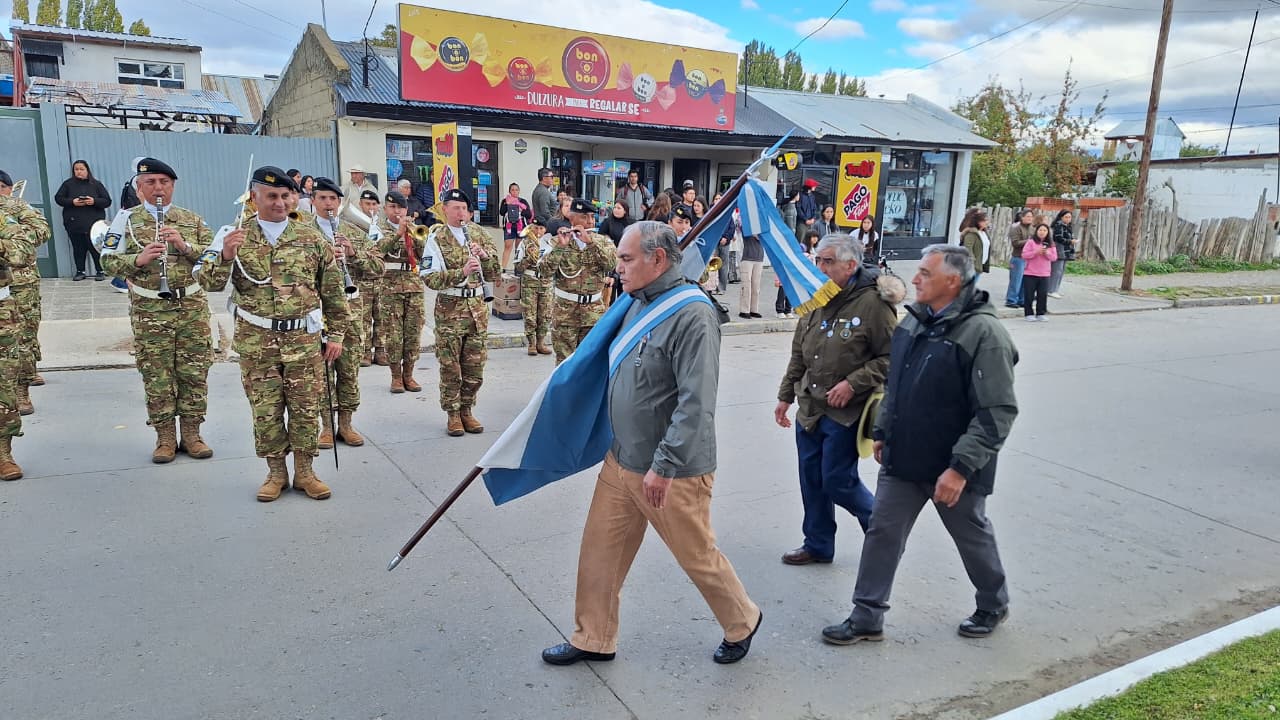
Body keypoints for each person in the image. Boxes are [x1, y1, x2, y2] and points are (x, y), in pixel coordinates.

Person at [541, 220, 762, 668]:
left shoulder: (692, 315)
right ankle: (593, 637)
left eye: (626, 259)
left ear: (657, 259)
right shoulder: (635, 303)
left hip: (670, 469)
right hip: (621, 459)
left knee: (696, 555)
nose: (617, 268)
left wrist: (665, 464)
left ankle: (742, 619)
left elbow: (695, 403)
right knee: (599, 553)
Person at [822, 243, 1018, 646]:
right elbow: (895, 385)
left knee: (971, 534)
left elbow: (996, 412)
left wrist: (960, 468)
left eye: (925, 274)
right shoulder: (912, 322)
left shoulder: (985, 333)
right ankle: (866, 617)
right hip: (904, 458)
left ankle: (993, 603)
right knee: (882, 533)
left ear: (953, 280)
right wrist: (882, 431)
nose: (914, 279)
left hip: (953, 465)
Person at [194, 166, 351, 501]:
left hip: (303, 342)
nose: (279, 203)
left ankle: (305, 472)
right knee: (265, 409)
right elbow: (208, 283)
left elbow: (333, 292)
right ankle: (276, 472)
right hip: (257, 342)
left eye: (285, 195)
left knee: (305, 408)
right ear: (254, 198)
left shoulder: (311, 238)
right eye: (271, 196)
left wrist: (336, 334)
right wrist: (224, 255)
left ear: (293, 197)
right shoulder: (233, 234)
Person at [775, 233, 898, 564]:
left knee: (837, 481)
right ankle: (817, 543)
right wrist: (785, 395)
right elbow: (800, 351)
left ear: (850, 265)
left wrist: (853, 383)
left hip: (846, 411)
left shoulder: (873, 303)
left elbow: (891, 357)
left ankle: (884, 533)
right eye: (818, 260)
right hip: (810, 407)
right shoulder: (817, 293)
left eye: (827, 261)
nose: (820, 267)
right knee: (811, 479)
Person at [99, 157, 216, 463]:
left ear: (173, 185)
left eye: (164, 182)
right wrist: (137, 260)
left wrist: (185, 246)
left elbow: (214, 259)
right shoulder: (125, 220)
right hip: (149, 309)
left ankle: (192, 434)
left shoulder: (192, 220)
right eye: (150, 183)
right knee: (157, 373)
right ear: (139, 188)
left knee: (194, 372)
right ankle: (165, 437)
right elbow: (107, 259)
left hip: (190, 307)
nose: (158, 188)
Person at [420, 188, 500, 436]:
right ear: (444, 210)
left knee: (475, 367)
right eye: (455, 208)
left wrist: (484, 257)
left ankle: (467, 409)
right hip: (450, 311)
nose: (460, 212)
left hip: (477, 310)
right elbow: (430, 278)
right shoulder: (436, 238)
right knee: (450, 367)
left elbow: (495, 271)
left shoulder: (478, 233)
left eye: (464, 208)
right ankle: (453, 414)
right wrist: (461, 273)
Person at [310, 179, 382, 447]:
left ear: (339, 203)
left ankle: (346, 424)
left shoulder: (355, 232)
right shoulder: (303, 232)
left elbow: (378, 268)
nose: (328, 204)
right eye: (323, 198)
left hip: (351, 310)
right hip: (317, 311)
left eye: (333, 199)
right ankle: (326, 426)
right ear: (314, 201)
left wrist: (353, 254)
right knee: (322, 371)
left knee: (349, 369)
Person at [0, 170, 43, 479]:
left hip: (10, 295)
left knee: (5, 374)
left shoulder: (10, 211)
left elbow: (26, 246)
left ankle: (3, 453)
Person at [545, 199, 616, 364]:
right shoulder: (557, 241)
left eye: (592, 217)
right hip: (565, 314)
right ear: (572, 218)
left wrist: (591, 244)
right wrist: (560, 248)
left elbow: (611, 265)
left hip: (593, 314)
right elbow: (543, 271)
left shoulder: (603, 241)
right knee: (564, 364)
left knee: (589, 364)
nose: (590, 221)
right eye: (585, 217)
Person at [376, 191, 430, 392]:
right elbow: (377, 250)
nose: (397, 211)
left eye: (400, 207)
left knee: (413, 332)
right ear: (385, 209)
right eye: (392, 207)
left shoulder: (415, 229)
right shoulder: (377, 229)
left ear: (407, 210)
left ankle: (409, 374)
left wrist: (415, 236)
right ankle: (396, 376)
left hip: (413, 286)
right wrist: (398, 233)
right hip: (390, 287)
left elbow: (426, 255)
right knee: (393, 334)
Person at [54, 160, 111, 281]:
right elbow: (58, 198)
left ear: (87, 170)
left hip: (94, 225)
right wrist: (72, 202)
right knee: (78, 248)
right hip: (74, 223)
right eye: (76, 169)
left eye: (81, 169)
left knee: (95, 248)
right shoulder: (68, 184)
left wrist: (94, 201)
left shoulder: (96, 184)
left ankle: (100, 271)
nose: (79, 172)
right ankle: (80, 271)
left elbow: (107, 201)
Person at [355, 189, 388, 366]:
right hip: (361, 278)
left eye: (374, 204)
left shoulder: (381, 226)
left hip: (381, 277)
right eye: (367, 204)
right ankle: (365, 351)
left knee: (381, 315)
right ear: (360, 205)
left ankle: (381, 350)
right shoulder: (354, 225)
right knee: (364, 316)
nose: (371, 207)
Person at [513, 218, 553, 355]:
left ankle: (541, 343)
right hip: (530, 281)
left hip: (546, 282)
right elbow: (517, 267)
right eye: (536, 228)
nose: (538, 231)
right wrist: (528, 259)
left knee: (545, 314)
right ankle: (531, 344)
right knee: (530, 314)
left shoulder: (550, 244)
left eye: (541, 229)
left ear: (545, 230)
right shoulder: (524, 243)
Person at [1021, 223, 1057, 322]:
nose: (1042, 232)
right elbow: (1024, 255)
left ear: (1048, 232)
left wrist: (1047, 253)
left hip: (1044, 273)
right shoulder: (1031, 242)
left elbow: (1054, 258)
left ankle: (1040, 313)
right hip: (1030, 273)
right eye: (1040, 230)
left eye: (1044, 230)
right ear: (1036, 231)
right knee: (1029, 295)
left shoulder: (1051, 244)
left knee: (1042, 294)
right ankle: (1028, 313)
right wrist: (1035, 252)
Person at [736, 213, 765, 320]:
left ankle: (754, 309)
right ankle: (744, 310)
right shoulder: (745, 224)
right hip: (747, 257)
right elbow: (751, 233)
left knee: (756, 286)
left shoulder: (763, 225)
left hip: (759, 257)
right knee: (746, 286)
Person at [498, 182, 533, 270]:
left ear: (519, 191)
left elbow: (529, 214)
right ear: (509, 191)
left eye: (516, 190)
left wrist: (521, 210)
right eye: (512, 190)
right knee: (508, 246)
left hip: (520, 227)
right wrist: (507, 204)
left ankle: (517, 268)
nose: (514, 192)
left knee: (519, 248)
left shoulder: (522, 201)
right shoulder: (505, 200)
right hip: (509, 227)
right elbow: (501, 212)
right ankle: (503, 268)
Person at [1004, 210, 1034, 308]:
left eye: (1031, 216)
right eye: (1028, 216)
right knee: (1016, 280)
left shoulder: (1031, 229)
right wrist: (1029, 241)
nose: (1030, 218)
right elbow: (1015, 243)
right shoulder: (1016, 228)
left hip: (1028, 258)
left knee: (1025, 280)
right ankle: (1011, 300)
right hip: (1018, 257)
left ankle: (1022, 300)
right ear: (1022, 217)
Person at [1048, 210, 1075, 298]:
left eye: (1069, 217)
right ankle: (1051, 290)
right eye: (1066, 217)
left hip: (1065, 251)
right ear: (1061, 217)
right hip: (1059, 251)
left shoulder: (1067, 226)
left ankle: (1056, 289)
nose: (1068, 219)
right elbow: (1058, 238)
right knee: (1056, 271)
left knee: (1061, 271)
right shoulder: (1058, 226)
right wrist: (1070, 241)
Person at [958, 209, 991, 280]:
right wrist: (973, 262)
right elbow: (968, 248)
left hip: (980, 265)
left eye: (987, 220)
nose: (987, 222)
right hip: (972, 266)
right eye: (984, 220)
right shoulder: (971, 233)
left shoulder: (984, 233)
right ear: (978, 221)